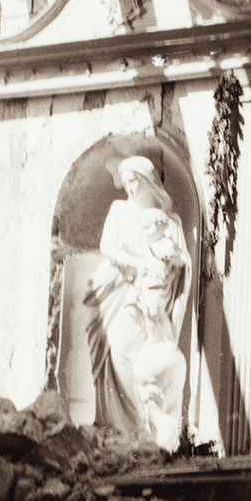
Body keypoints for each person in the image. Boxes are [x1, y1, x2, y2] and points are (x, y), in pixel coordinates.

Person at [84, 157, 192, 449]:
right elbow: (107, 246)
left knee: (139, 357)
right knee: (115, 348)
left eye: (134, 180)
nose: (129, 187)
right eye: (126, 181)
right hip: (115, 289)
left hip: (148, 295)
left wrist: (166, 261)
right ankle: (123, 427)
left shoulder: (169, 221)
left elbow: (183, 262)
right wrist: (137, 262)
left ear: (147, 181)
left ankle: (143, 429)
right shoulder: (119, 210)